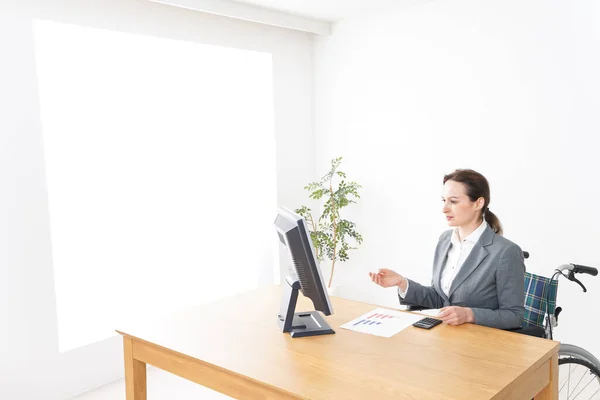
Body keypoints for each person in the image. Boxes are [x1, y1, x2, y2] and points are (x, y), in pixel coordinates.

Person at [369, 169, 525, 330]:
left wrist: (469, 314)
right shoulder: (445, 240)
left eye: (453, 201)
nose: (444, 208)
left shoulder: (506, 252)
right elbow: (440, 299)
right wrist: (402, 283)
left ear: (478, 203)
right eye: (443, 200)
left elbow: (514, 316)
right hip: (445, 338)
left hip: (482, 345)